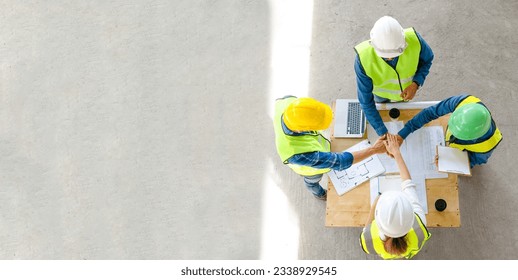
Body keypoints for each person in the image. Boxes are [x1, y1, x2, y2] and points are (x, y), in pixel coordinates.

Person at [273, 96, 386, 200]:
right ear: (301, 130)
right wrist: (374, 149)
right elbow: (340, 162)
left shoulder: (293, 105)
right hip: (310, 169)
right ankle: (319, 194)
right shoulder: (298, 154)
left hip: (316, 148)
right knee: (312, 180)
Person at [354, 15, 434, 137]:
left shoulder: (415, 41)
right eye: (385, 56)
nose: (390, 58)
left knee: (402, 112)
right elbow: (365, 102)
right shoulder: (363, 59)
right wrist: (382, 132)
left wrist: (416, 83)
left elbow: (427, 60)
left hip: (405, 92)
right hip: (380, 95)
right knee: (381, 108)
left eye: (395, 54)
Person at [360, 134, 431, 259]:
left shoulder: (368, 241)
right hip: (411, 250)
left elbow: (367, 226)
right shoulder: (420, 225)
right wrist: (397, 153)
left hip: (388, 255)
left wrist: (374, 204)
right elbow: (408, 184)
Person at [396, 94, 503, 168]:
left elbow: (474, 161)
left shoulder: (487, 145)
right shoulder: (464, 101)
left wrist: (450, 163)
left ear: (473, 137)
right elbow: (430, 113)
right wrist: (404, 133)